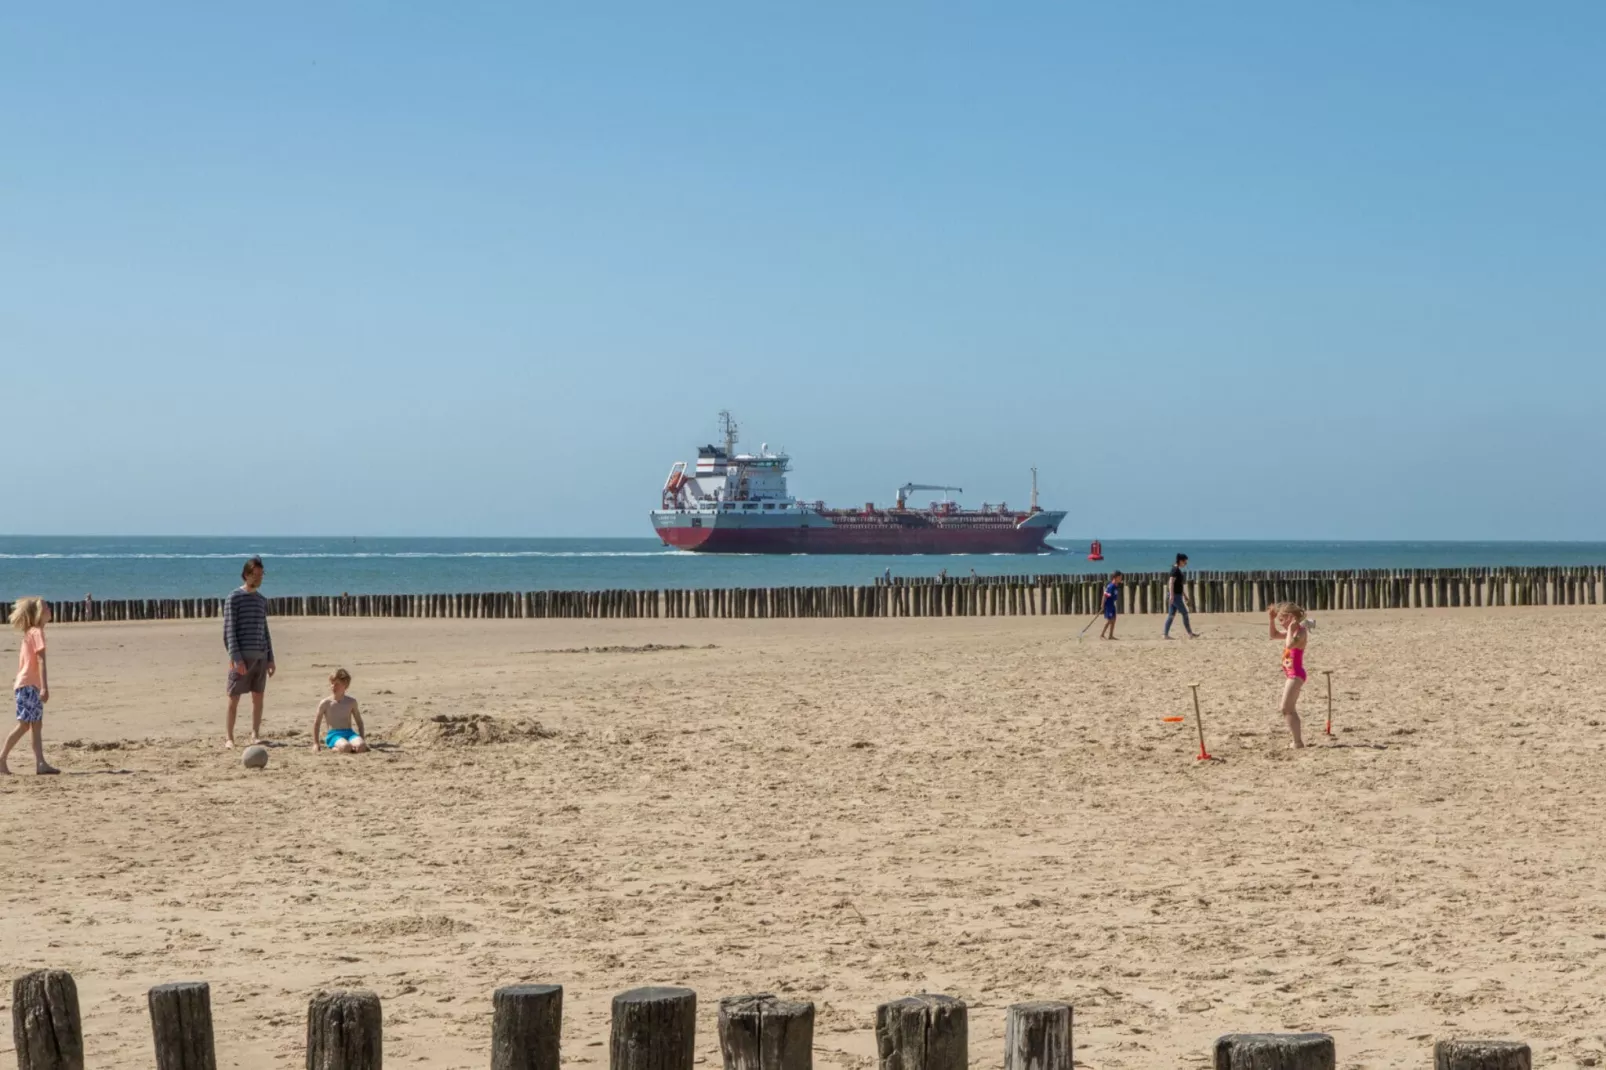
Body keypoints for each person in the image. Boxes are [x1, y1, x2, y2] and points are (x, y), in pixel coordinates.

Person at [223, 556, 275, 748]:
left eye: (261, 574)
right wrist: (236, 658)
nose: (259, 578)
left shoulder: (261, 600)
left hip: (260, 656)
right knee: (233, 697)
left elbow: (265, 630)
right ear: (246, 575)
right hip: (241, 657)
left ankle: (255, 734)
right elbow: (229, 630)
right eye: (256, 574)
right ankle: (229, 738)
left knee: (258, 697)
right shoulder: (234, 598)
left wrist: (270, 658)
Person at [2, 597, 58, 775]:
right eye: (46, 607)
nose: (50, 608)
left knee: (35, 724)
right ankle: (1, 758)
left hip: (25, 685)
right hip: (29, 685)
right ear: (39, 613)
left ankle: (40, 763)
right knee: (25, 725)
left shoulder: (31, 632)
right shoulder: (36, 633)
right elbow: (41, 661)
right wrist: (44, 687)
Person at [1269, 602, 1311, 748]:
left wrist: (1291, 629)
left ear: (1291, 618)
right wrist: (1271, 620)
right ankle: (1297, 741)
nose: (1280, 624)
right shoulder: (1290, 632)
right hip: (1291, 674)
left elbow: (1289, 645)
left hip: (1296, 674)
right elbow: (1273, 635)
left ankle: (1297, 742)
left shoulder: (1301, 632)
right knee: (1288, 709)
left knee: (1286, 708)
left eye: (1282, 620)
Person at [312, 668, 367, 753]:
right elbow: (317, 723)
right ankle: (334, 748)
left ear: (345, 685)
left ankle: (350, 747)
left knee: (361, 747)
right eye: (332, 683)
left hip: (349, 733)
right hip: (334, 734)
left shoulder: (351, 702)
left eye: (337, 684)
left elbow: (359, 722)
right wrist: (316, 743)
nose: (333, 686)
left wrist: (362, 739)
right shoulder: (325, 703)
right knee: (346, 747)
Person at [1164, 553, 1199, 639]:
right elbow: (1171, 582)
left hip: (1177, 595)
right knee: (1185, 613)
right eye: (1185, 562)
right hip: (1175, 596)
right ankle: (1190, 634)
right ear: (1180, 561)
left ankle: (1165, 635)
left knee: (1171, 615)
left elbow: (1179, 585)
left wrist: (1185, 595)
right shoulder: (1175, 570)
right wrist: (1172, 595)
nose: (1185, 564)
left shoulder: (1177, 569)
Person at [1098, 571, 1124, 640]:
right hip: (1108, 604)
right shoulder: (1111, 586)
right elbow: (1105, 595)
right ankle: (1102, 634)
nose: (1121, 579)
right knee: (1109, 620)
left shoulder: (1116, 585)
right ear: (1116, 577)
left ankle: (1110, 635)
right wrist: (1102, 605)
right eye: (1120, 577)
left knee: (1114, 620)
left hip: (1112, 604)